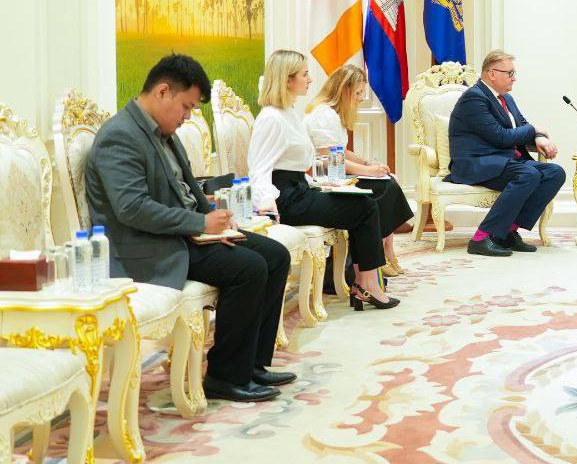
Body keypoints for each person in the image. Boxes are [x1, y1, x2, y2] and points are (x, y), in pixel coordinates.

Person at [85, 54, 293, 403]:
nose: (187, 117)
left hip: (183, 234)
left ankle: (252, 364)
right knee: (249, 268)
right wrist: (200, 223)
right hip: (146, 247)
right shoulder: (119, 136)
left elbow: (188, 188)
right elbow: (132, 208)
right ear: (162, 92)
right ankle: (225, 376)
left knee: (275, 255)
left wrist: (213, 215)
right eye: (186, 107)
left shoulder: (163, 132)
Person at [249, 50, 399, 310]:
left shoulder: (287, 113)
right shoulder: (272, 118)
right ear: (287, 79)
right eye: (305, 74)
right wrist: (267, 207)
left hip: (298, 189)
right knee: (364, 208)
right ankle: (367, 284)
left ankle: (364, 281)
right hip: (285, 199)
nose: (310, 79)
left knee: (364, 202)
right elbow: (258, 168)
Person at [445, 50, 565, 257]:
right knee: (528, 174)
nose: (514, 78)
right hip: (477, 163)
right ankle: (481, 238)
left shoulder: (506, 98)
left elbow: (522, 125)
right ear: (492, 73)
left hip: (503, 161)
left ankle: (508, 231)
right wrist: (535, 129)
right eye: (510, 73)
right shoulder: (474, 98)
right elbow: (500, 137)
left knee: (555, 173)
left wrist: (538, 137)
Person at [304, 64, 413, 276]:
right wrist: (369, 171)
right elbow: (329, 159)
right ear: (344, 90)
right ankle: (381, 253)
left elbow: (341, 151)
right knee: (386, 186)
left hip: (334, 174)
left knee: (389, 179)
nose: (362, 98)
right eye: (358, 93)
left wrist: (367, 164)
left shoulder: (333, 114)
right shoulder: (323, 115)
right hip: (322, 179)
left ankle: (387, 250)